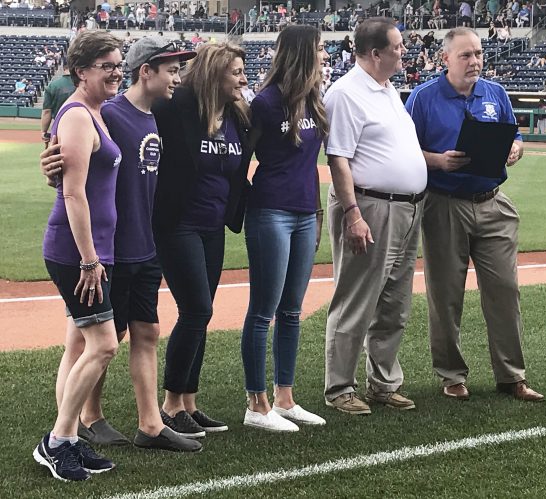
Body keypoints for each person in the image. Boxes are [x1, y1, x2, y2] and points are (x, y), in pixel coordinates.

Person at [39, 37, 202, 452]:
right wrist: (51, 165)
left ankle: (149, 423)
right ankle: (78, 425)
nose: (177, 78)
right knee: (94, 340)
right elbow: (71, 170)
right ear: (145, 70)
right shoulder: (105, 110)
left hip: (143, 244)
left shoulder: (152, 114)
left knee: (142, 331)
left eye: (115, 64)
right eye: (171, 70)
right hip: (108, 248)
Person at [404, 27, 543, 403]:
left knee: (504, 291)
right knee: (446, 295)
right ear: (445, 59)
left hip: (492, 201)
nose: (475, 61)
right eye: (466, 55)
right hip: (445, 203)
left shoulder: (495, 93)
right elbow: (402, 151)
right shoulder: (423, 98)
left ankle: (511, 375)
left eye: (478, 54)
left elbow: (514, 136)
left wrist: (517, 148)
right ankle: (451, 374)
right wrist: (437, 161)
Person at [323, 17, 427, 415]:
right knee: (356, 298)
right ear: (375, 53)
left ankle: (383, 383)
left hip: (408, 206)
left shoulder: (387, 90)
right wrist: (352, 214)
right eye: (397, 46)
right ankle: (340, 388)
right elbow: (338, 158)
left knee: (395, 303)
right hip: (370, 205)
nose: (404, 51)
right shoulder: (347, 93)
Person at [151, 42, 255, 436]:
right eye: (236, 72)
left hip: (213, 226)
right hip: (178, 223)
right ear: (214, 73)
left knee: (202, 311)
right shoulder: (175, 109)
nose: (243, 79)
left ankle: (188, 403)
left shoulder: (235, 116)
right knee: (196, 309)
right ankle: (169, 403)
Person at [34, 30, 124, 483]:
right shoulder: (76, 116)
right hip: (76, 253)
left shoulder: (96, 112)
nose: (116, 71)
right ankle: (56, 440)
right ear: (81, 71)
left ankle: (66, 439)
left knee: (79, 344)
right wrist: (89, 259)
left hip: (92, 249)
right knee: (104, 345)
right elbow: (72, 194)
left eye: (118, 63)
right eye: (106, 65)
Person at [241, 25, 329, 432]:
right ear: (302, 54)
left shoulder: (314, 100)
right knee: (263, 310)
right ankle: (256, 404)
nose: (326, 56)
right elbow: (241, 160)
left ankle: (285, 398)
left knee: (292, 310)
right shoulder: (265, 102)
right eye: (320, 50)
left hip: (305, 212)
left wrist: (318, 214)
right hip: (271, 211)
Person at [41, 67, 75, 146]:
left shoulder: (53, 85)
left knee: (58, 155)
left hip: (59, 127)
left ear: (63, 68)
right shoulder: (84, 83)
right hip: (83, 127)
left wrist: (44, 131)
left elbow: (47, 111)